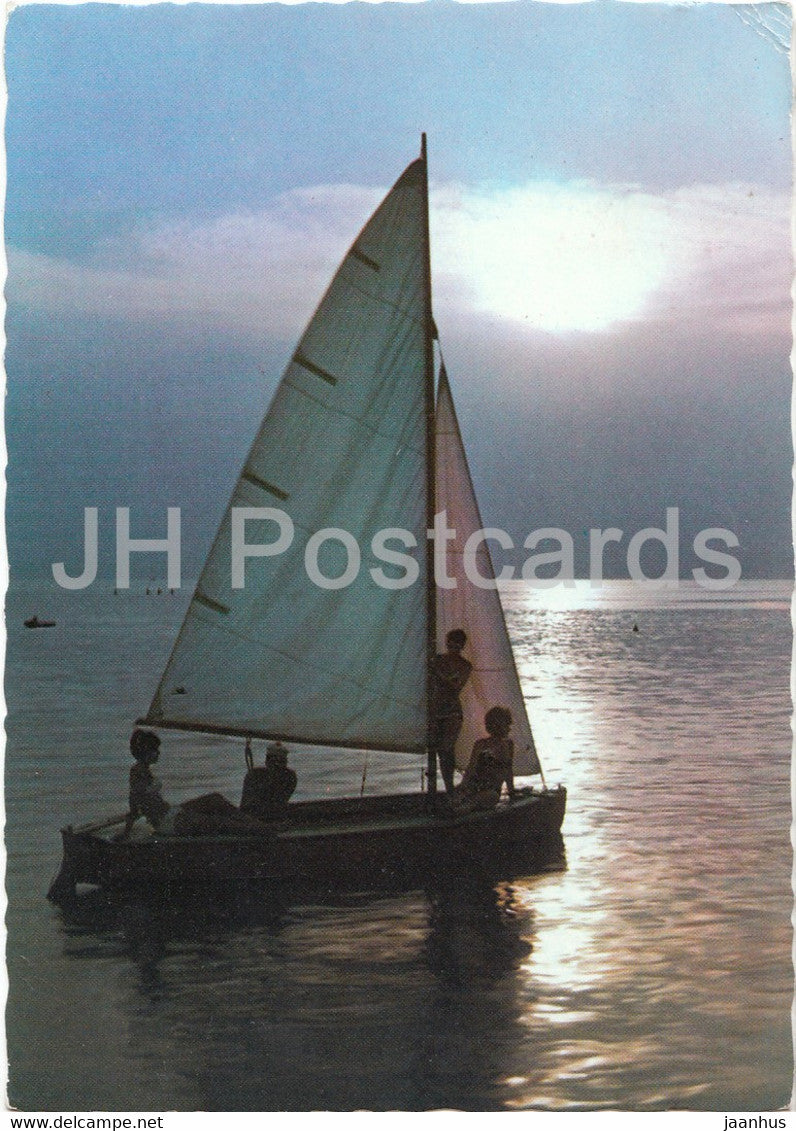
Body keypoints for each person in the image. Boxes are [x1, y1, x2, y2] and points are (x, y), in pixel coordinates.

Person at [123, 728, 267, 837]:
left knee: (215, 800)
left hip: (171, 813)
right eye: (155, 750)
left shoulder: (144, 770)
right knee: (216, 821)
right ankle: (261, 828)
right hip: (167, 823)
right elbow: (134, 801)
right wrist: (126, 832)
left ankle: (255, 823)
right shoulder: (138, 772)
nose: (158, 753)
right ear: (147, 751)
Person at [430, 628, 472, 792]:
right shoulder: (438, 659)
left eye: (457, 645)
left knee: (447, 749)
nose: (453, 648)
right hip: (435, 710)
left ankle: (449, 789)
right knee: (437, 750)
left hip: (452, 712)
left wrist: (437, 672)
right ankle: (443, 790)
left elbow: (456, 687)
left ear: (461, 646)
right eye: (450, 644)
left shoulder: (465, 666)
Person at [455, 706, 516, 811]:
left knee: (491, 796)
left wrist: (512, 792)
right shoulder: (480, 744)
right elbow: (471, 768)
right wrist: (463, 785)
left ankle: (465, 807)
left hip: (492, 790)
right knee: (458, 793)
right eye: (507, 725)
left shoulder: (508, 745)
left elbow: (508, 771)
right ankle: (459, 805)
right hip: (475, 784)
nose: (509, 728)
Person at [240, 741, 297, 821]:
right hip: (254, 814)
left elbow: (282, 799)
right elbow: (249, 803)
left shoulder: (289, 776)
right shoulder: (255, 775)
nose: (278, 765)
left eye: (282, 762)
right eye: (274, 761)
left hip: (275, 813)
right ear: (267, 761)